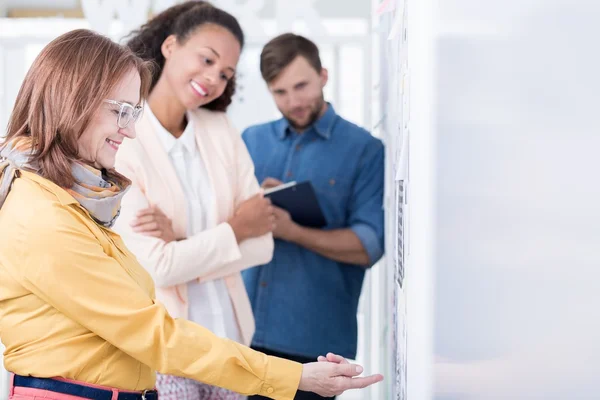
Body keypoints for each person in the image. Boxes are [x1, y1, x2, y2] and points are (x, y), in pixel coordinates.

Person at [0, 29, 383, 400]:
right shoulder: (43, 215)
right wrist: (293, 375)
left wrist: (183, 243)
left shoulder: (70, 202)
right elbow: (155, 317)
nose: (130, 132)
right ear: (72, 100)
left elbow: (256, 246)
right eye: (120, 111)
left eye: (134, 113)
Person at [112, 3, 273, 399]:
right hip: (168, 351)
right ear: (170, 46)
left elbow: (262, 244)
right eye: (206, 59)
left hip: (232, 345)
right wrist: (234, 230)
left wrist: (183, 245)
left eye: (225, 73)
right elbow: (158, 270)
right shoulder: (124, 140)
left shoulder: (220, 129)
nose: (213, 78)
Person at [241, 33, 385, 400]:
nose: (293, 101)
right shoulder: (251, 141)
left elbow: (368, 246)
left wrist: (293, 230)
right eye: (280, 92)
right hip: (241, 337)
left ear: (324, 75)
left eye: (301, 86)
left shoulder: (365, 150)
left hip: (314, 344)